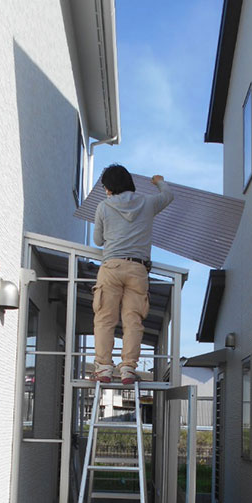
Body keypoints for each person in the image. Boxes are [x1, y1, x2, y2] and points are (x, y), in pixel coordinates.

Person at [92, 164, 174, 384]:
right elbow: (168, 196)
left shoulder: (103, 206)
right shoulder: (147, 202)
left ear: (109, 187)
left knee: (105, 318)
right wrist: (159, 181)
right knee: (133, 320)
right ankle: (128, 368)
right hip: (138, 269)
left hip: (111, 267)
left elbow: (98, 240)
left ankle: (104, 368)